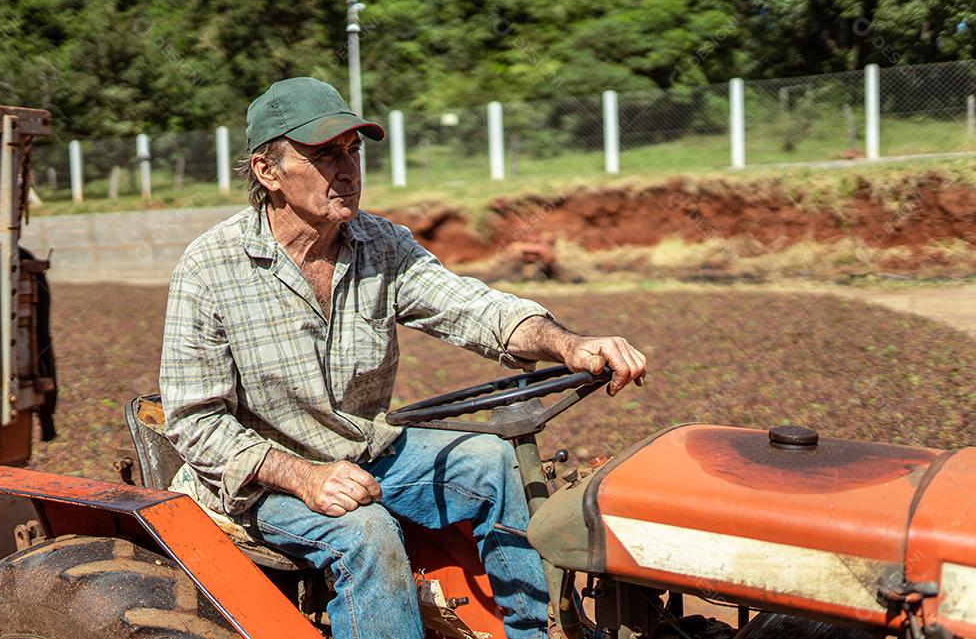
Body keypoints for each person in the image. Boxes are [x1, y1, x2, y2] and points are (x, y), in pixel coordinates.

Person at [160, 77, 647, 639]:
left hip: (367, 449)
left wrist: (569, 344)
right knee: (365, 532)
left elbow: (473, 308)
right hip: (261, 482)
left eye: (352, 151)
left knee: (496, 462)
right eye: (324, 155)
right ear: (268, 171)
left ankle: (535, 632)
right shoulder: (210, 269)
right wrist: (304, 477)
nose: (348, 170)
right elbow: (195, 423)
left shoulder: (382, 244)